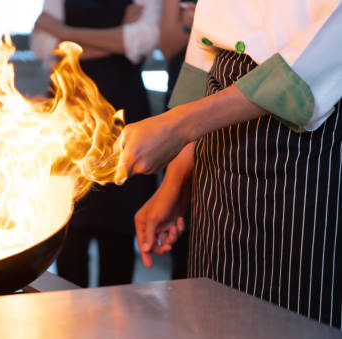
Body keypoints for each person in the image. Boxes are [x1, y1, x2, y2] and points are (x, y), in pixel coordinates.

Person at [122, 0, 342, 327]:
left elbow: (317, 61)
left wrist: (180, 126)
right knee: (210, 312)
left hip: (301, 150)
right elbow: (202, 58)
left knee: (287, 319)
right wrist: (175, 180)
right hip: (214, 146)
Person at [32, 0, 160, 287]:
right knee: (68, 230)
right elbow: (42, 43)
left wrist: (65, 33)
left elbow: (143, 40)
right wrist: (116, 38)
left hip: (123, 117)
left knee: (119, 235)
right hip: (69, 116)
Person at [157, 0, 196, 279]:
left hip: (229, 107)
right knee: (182, 214)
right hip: (182, 99)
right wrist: (191, 25)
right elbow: (167, 45)